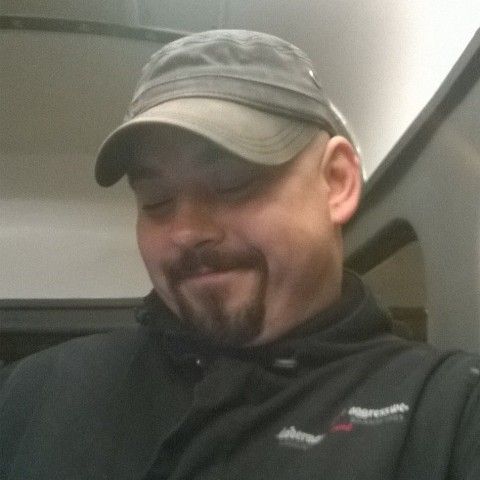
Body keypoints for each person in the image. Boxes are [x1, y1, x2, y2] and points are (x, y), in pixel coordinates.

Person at [1, 29, 479, 480]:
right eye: (156, 201)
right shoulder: (35, 391)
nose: (187, 232)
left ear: (336, 183)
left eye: (233, 183)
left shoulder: (448, 412)